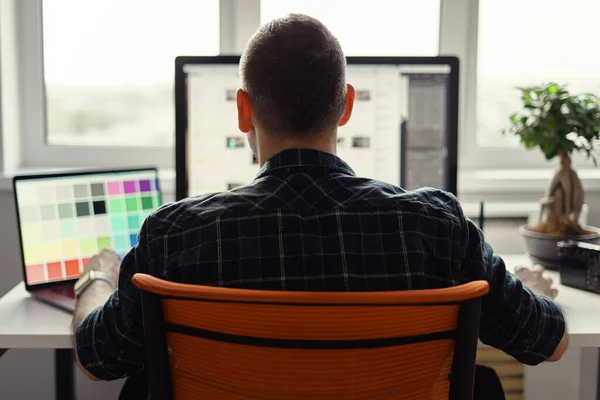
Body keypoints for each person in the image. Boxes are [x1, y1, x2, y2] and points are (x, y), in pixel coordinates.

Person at [72, 13, 568, 398]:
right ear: (347, 105)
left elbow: (97, 359)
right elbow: (549, 343)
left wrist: (98, 279)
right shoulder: (438, 228)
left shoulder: (172, 235)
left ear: (243, 110)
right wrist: (527, 286)